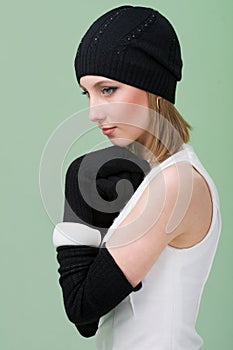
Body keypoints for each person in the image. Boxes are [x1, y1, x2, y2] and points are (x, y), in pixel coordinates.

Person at [52, 5, 222, 349]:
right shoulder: (152, 178)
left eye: (108, 89)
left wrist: (76, 200)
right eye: (88, 93)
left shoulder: (175, 185)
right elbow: (88, 324)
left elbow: (81, 305)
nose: (93, 113)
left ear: (152, 87)